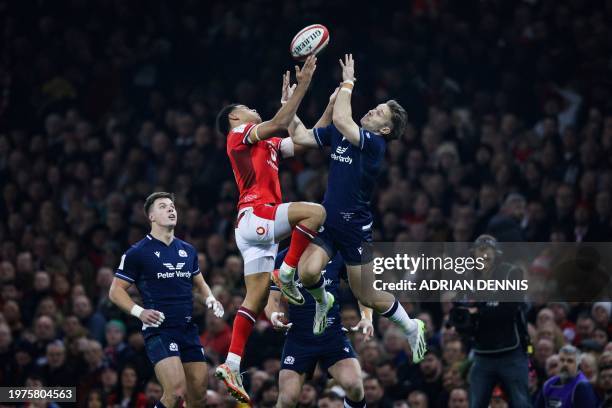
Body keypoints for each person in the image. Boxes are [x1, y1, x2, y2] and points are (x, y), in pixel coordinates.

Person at [285, 53, 426, 363]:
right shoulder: (343, 132)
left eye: (379, 114)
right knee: (306, 274)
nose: (372, 112)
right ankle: (324, 301)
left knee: (367, 296)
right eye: (375, 108)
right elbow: (301, 136)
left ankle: (411, 326)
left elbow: (340, 119)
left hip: (355, 230)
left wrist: (348, 82)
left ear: (385, 130)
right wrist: (289, 105)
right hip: (329, 222)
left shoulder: (375, 146)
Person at [215, 56, 329, 403]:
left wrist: (332, 100)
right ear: (236, 118)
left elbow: (307, 139)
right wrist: (304, 84)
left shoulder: (266, 144)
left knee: (256, 299)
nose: (253, 109)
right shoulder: (237, 134)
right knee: (316, 213)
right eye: (247, 107)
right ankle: (289, 272)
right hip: (256, 214)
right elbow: (279, 123)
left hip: (252, 227)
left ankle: (232, 363)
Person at [109, 192, 224, 408]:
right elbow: (115, 291)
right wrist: (139, 312)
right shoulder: (138, 252)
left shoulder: (187, 250)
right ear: (151, 216)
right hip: (160, 330)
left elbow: (200, 283)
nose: (171, 209)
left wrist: (210, 299)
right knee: (176, 392)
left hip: (188, 329)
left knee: (199, 396)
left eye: (172, 206)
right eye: (163, 206)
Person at [265, 248, 372, 408]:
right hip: (299, 339)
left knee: (355, 386)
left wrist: (366, 317)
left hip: (332, 336)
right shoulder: (281, 259)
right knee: (287, 400)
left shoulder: (337, 254)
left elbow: (362, 287)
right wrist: (273, 316)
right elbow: (272, 300)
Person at [449, 234, 531, 408]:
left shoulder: (511, 273)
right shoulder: (466, 277)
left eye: (487, 249)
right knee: (476, 404)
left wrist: (477, 311)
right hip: (482, 354)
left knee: (521, 403)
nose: (483, 254)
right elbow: (458, 308)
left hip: (511, 353)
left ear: (497, 253)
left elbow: (508, 310)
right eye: (480, 250)